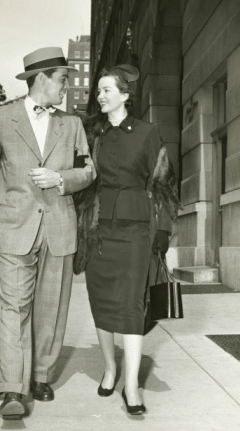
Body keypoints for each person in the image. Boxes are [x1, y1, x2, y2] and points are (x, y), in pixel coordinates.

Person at [0, 47, 95, 420]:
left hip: (59, 226)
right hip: (14, 227)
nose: (66, 87)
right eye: (63, 79)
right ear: (42, 79)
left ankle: (40, 376)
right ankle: (11, 389)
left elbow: (88, 171)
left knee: (51, 309)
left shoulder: (72, 124)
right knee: (12, 308)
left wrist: (61, 179)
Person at [73, 64, 181, 415]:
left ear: (124, 94)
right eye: (98, 90)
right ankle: (110, 369)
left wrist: (163, 230)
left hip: (136, 233)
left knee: (132, 306)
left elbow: (164, 183)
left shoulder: (148, 133)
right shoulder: (92, 134)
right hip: (97, 231)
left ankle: (131, 386)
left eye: (106, 90)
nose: (100, 96)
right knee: (102, 302)